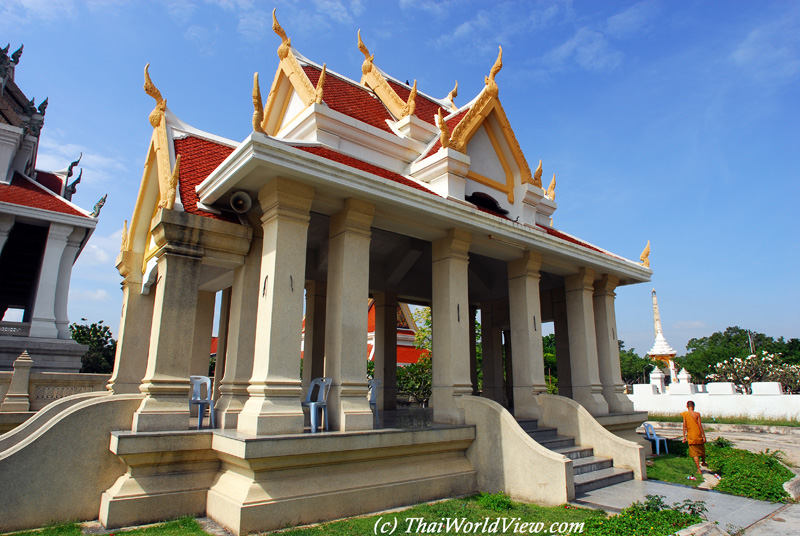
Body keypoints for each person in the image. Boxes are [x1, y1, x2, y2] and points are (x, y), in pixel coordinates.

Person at [681, 400, 707, 475]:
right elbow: (700, 425)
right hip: (698, 434)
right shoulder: (697, 414)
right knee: (702, 449)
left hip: (691, 436)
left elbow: (684, 426)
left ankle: (699, 469)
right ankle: (704, 462)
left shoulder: (685, 415)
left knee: (695, 454)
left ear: (687, 406)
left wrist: (684, 436)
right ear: (694, 406)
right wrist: (704, 436)